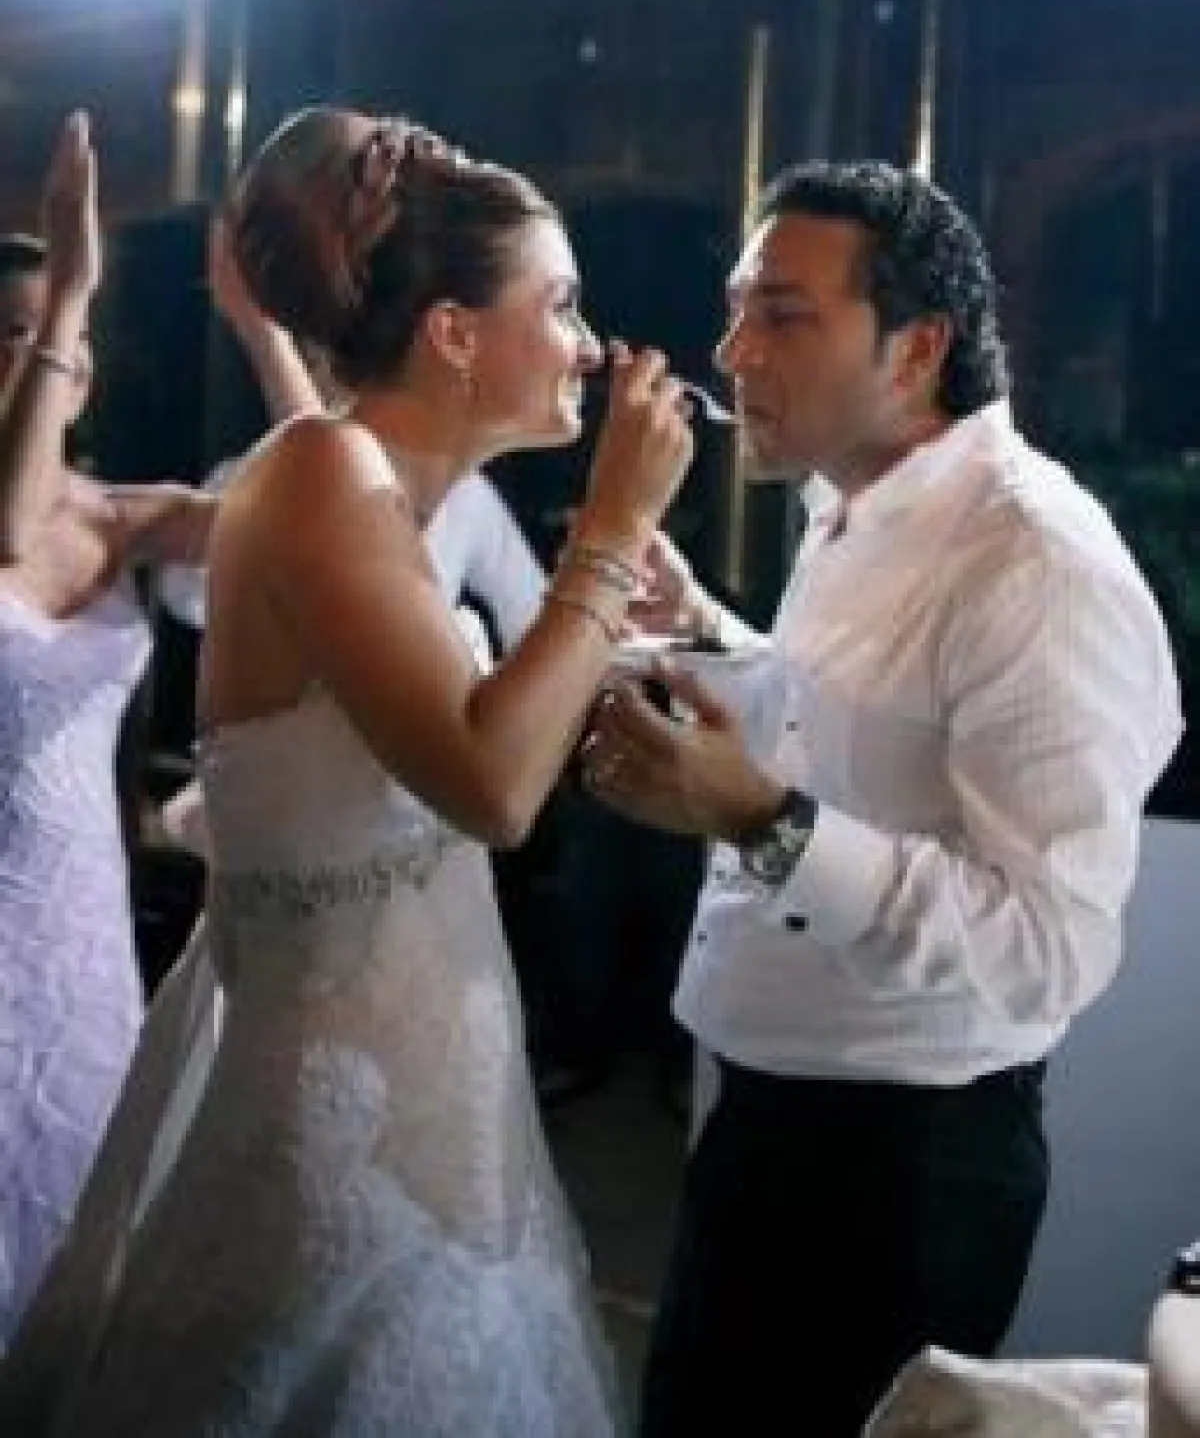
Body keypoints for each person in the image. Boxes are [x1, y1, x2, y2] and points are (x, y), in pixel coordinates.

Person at [0, 106, 693, 1436]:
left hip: (424, 1074)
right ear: (453, 333)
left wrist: (630, 641)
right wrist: (609, 531)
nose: (593, 344)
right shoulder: (323, 469)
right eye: (561, 304)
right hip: (332, 1111)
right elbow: (490, 787)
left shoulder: (366, 481)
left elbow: (473, 728)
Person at [579, 159, 1183, 1438]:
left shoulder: (1037, 566)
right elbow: (853, 725)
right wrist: (706, 630)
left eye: (782, 315)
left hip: (900, 1172)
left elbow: (1047, 947)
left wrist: (761, 822)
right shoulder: (860, 506)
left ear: (916, 348)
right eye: (735, 310)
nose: (731, 353)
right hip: (770, 1114)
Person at [0, 114, 222, 1347]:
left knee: (85, 1240)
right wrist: (75, 285)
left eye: (65, 339)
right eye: (16, 334)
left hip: (80, 926)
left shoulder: (120, 516)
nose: (51, 356)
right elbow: (7, 529)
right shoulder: (20, 520)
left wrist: (270, 333)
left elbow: (335, 516)